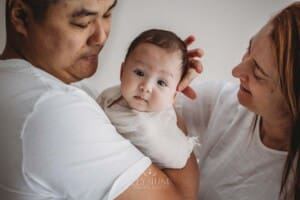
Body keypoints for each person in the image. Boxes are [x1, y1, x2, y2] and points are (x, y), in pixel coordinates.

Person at [0, 0, 203, 199]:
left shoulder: (27, 84)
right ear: (21, 16)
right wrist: (168, 104)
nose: (101, 36)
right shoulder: (52, 108)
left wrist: (165, 68)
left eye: (107, 14)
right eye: (83, 22)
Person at [180, 2, 300, 200]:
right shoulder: (223, 102)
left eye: (259, 73)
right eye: (249, 49)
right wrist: (161, 75)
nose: (236, 71)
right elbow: (124, 112)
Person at [98, 29, 199, 169]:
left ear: (173, 96)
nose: (146, 87)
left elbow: (179, 159)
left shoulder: (150, 132)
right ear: (122, 72)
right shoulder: (109, 95)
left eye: (161, 83)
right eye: (140, 73)